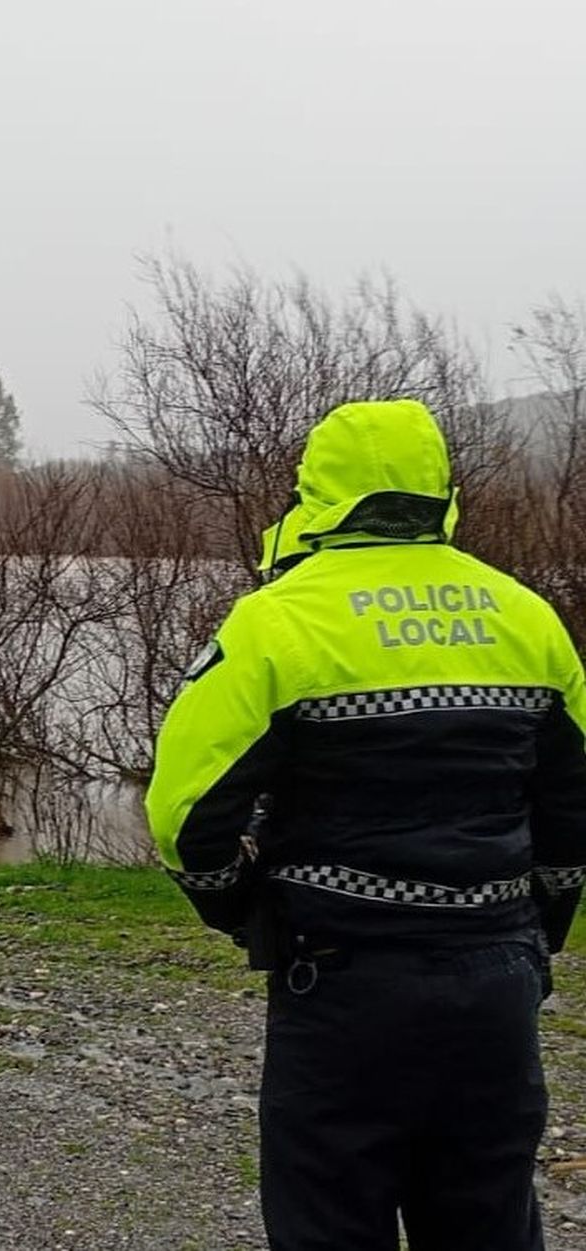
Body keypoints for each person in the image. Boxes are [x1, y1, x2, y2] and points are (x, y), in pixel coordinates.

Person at [145, 398, 586, 1251]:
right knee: (490, 1219)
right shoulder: (527, 616)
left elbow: (183, 812)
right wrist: (538, 928)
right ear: (440, 487)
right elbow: (575, 808)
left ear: (316, 490)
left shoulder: (276, 620)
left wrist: (239, 906)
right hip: (496, 981)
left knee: (330, 1222)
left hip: (343, 981)